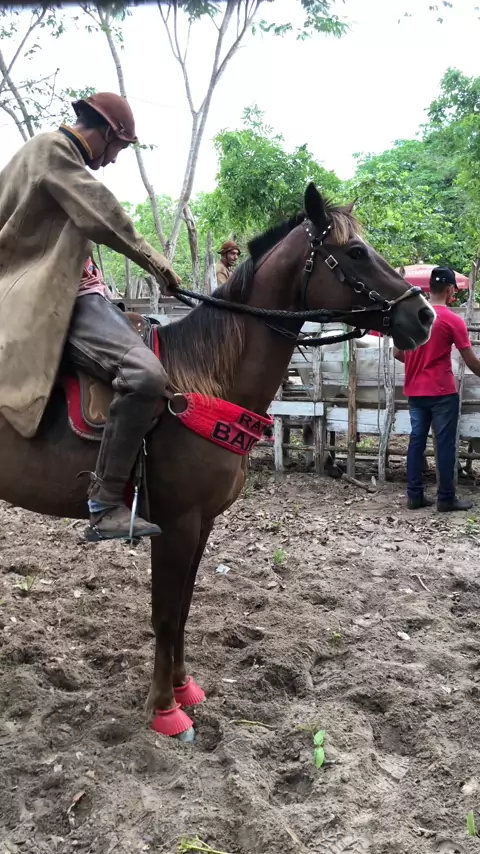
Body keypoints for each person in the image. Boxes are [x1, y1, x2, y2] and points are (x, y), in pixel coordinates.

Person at [0, 92, 182, 541]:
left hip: (64, 290)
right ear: (104, 132)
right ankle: (105, 502)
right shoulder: (54, 150)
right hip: (54, 297)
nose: (114, 159)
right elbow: (103, 213)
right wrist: (157, 263)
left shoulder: (43, 156)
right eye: (118, 148)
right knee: (144, 375)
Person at [394, 266, 480, 512]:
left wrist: (417, 364)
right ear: (450, 290)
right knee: (444, 445)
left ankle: (414, 496)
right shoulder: (452, 320)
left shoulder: (413, 317)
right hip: (442, 393)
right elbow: (471, 362)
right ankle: (445, 498)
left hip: (415, 392)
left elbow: (398, 352)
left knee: (416, 443)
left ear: (429, 289)